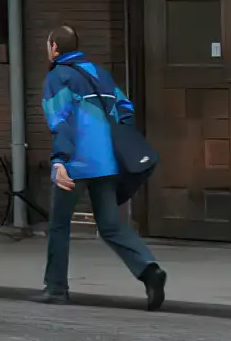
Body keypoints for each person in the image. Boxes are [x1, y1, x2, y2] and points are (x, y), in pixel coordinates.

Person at [39, 24, 167, 309]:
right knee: (110, 225)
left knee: (59, 226)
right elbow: (126, 109)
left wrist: (59, 161)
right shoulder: (101, 74)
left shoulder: (58, 77)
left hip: (75, 163)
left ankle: (56, 289)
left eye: (48, 45)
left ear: (55, 48)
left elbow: (61, 122)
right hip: (107, 163)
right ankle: (149, 270)